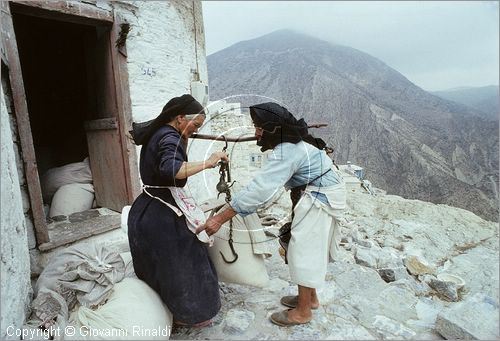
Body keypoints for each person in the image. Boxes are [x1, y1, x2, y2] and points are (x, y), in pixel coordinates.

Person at [196, 102, 347, 327]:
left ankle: (303, 312)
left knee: (303, 249)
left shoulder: (288, 150)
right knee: (301, 246)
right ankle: (310, 298)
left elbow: (260, 190)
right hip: (315, 193)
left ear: (274, 129)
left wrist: (219, 218)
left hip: (319, 198)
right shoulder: (290, 143)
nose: (256, 133)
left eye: (259, 128)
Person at [127, 94, 228, 327]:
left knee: (159, 264)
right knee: (183, 262)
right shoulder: (169, 138)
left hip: (147, 207)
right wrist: (209, 162)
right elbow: (171, 170)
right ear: (181, 118)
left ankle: (163, 311)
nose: (195, 130)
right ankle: (188, 315)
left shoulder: (161, 132)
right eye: (195, 125)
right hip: (161, 214)